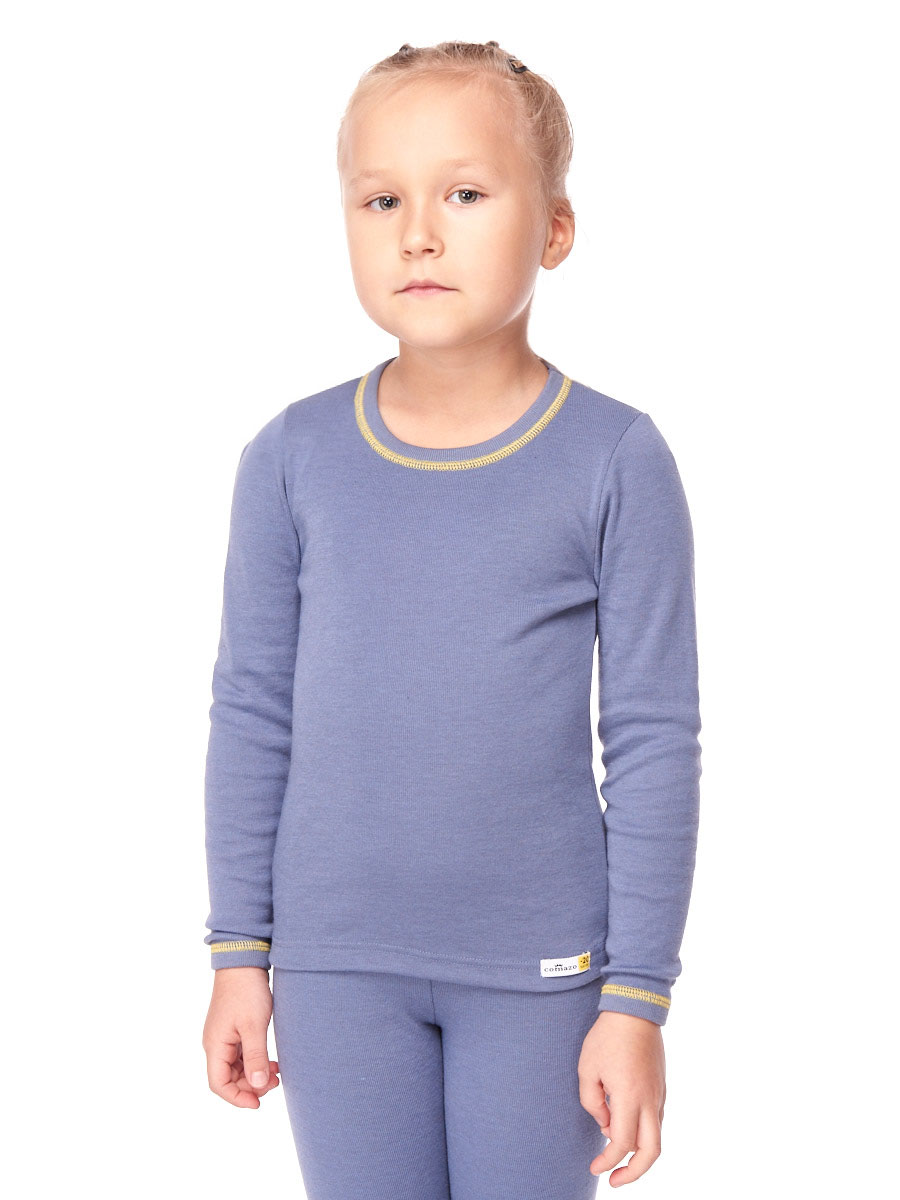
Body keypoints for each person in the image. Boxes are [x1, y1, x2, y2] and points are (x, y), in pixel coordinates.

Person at [200, 38, 702, 1200]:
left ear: (556, 230)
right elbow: (252, 715)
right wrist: (238, 952)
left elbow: (652, 740)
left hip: (544, 977)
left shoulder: (615, 459)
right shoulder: (291, 458)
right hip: (335, 972)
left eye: (465, 194)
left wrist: (636, 997)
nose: (418, 233)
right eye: (382, 200)